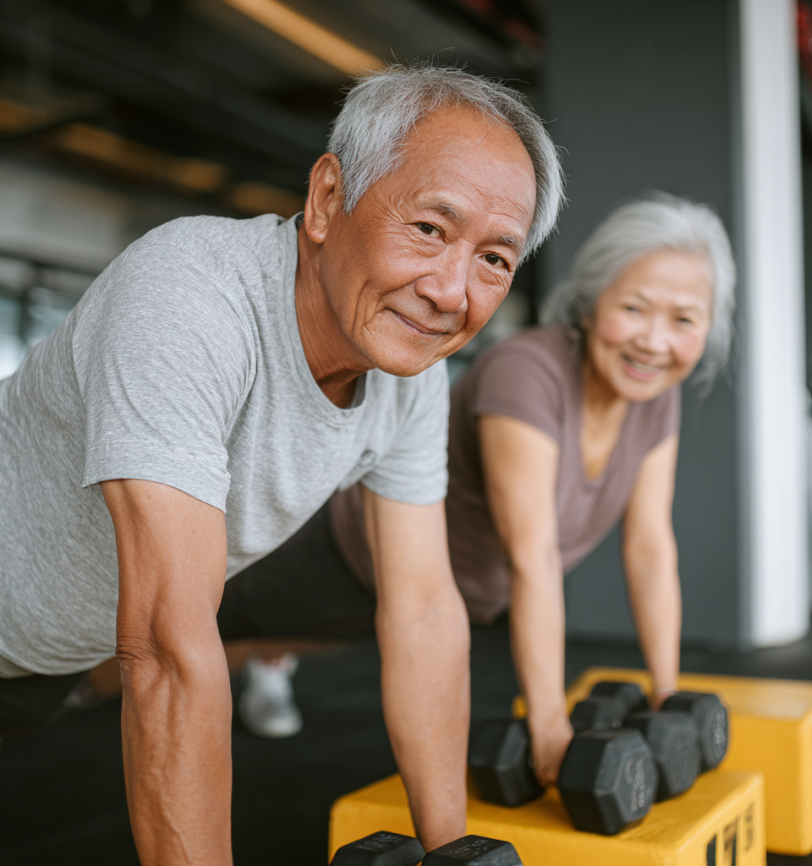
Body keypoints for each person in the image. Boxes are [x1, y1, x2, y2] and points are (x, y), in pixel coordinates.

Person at [0, 63, 564, 863]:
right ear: (328, 199)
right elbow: (167, 646)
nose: (451, 292)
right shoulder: (189, 297)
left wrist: (453, 850)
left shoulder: (412, 374)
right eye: (430, 230)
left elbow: (424, 611)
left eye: (495, 260)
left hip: (39, 664)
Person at [223, 194, 735, 789]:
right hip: (348, 552)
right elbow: (533, 555)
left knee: (298, 641)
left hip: (444, 599)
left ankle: (265, 658)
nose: (654, 341)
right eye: (636, 308)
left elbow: (650, 546)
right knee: (173, 635)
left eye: (683, 320)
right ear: (591, 305)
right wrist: (548, 728)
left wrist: (669, 697)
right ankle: (97, 674)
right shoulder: (528, 374)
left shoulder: (653, 395)